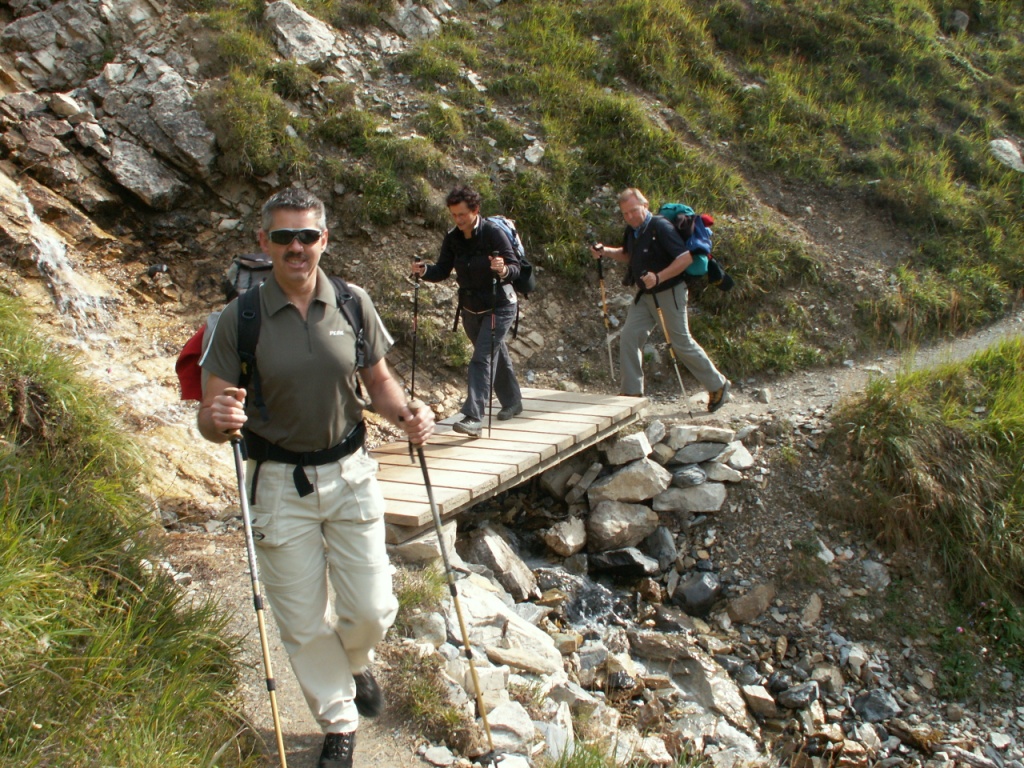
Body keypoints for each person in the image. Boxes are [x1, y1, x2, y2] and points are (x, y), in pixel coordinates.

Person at [197, 188, 434, 768]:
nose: (296, 247)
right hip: (277, 483)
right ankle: (339, 723)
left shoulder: (353, 302)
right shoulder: (238, 319)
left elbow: (378, 381)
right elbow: (210, 415)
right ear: (264, 242)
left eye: (307, 235)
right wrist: (218, 418)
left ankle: (354, 662)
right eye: (284, 237)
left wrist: (405, 413)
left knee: (373, 609)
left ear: (324, 239)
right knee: (302, 621)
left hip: (350, 473)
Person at [590, 187, 731, 412]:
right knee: (629, 337)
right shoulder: (633, 230)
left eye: (633, 210)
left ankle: (718, 384)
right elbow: (628, 255)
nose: (630, 216)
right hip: (646, 295)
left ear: (645, 206)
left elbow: (684, 259)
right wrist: (605, 251)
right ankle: (631, 393)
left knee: (681, 342)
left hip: (669, 292)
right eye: (625, 213)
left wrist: (658, 277)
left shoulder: (661, 227)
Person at [411, 184, 523, 437]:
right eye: (454, 215)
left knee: (482, 358)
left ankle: (473, 417)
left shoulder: (493, 233)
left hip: (499, 305)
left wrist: (503, 269)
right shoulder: (453, 237)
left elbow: (515, 269)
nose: (458, 220)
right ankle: (513, 401)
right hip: (470, 309)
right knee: (494, 352)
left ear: (475, 210)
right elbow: (442, 270)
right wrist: (424, 271)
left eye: (462, 214)